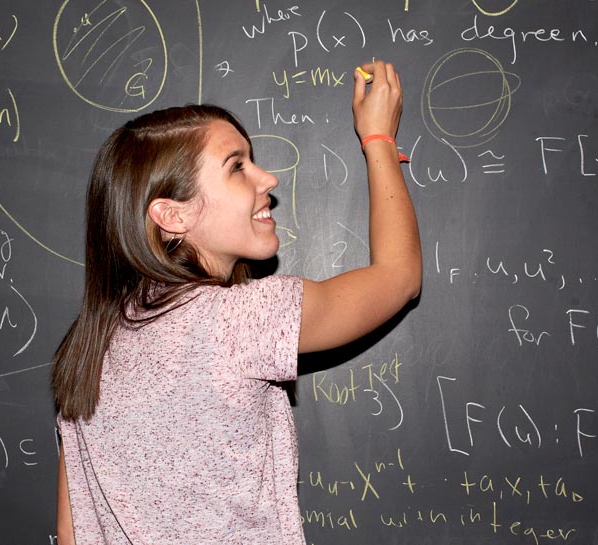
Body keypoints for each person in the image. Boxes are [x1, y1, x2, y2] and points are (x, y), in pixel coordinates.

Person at [52, 60, 421, 544]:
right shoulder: (238, 320)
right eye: (237, 166)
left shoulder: (89, 347)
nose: (267, 178)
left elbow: (70, 532)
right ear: (171, 215)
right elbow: (399, 277)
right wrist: (378, 138)